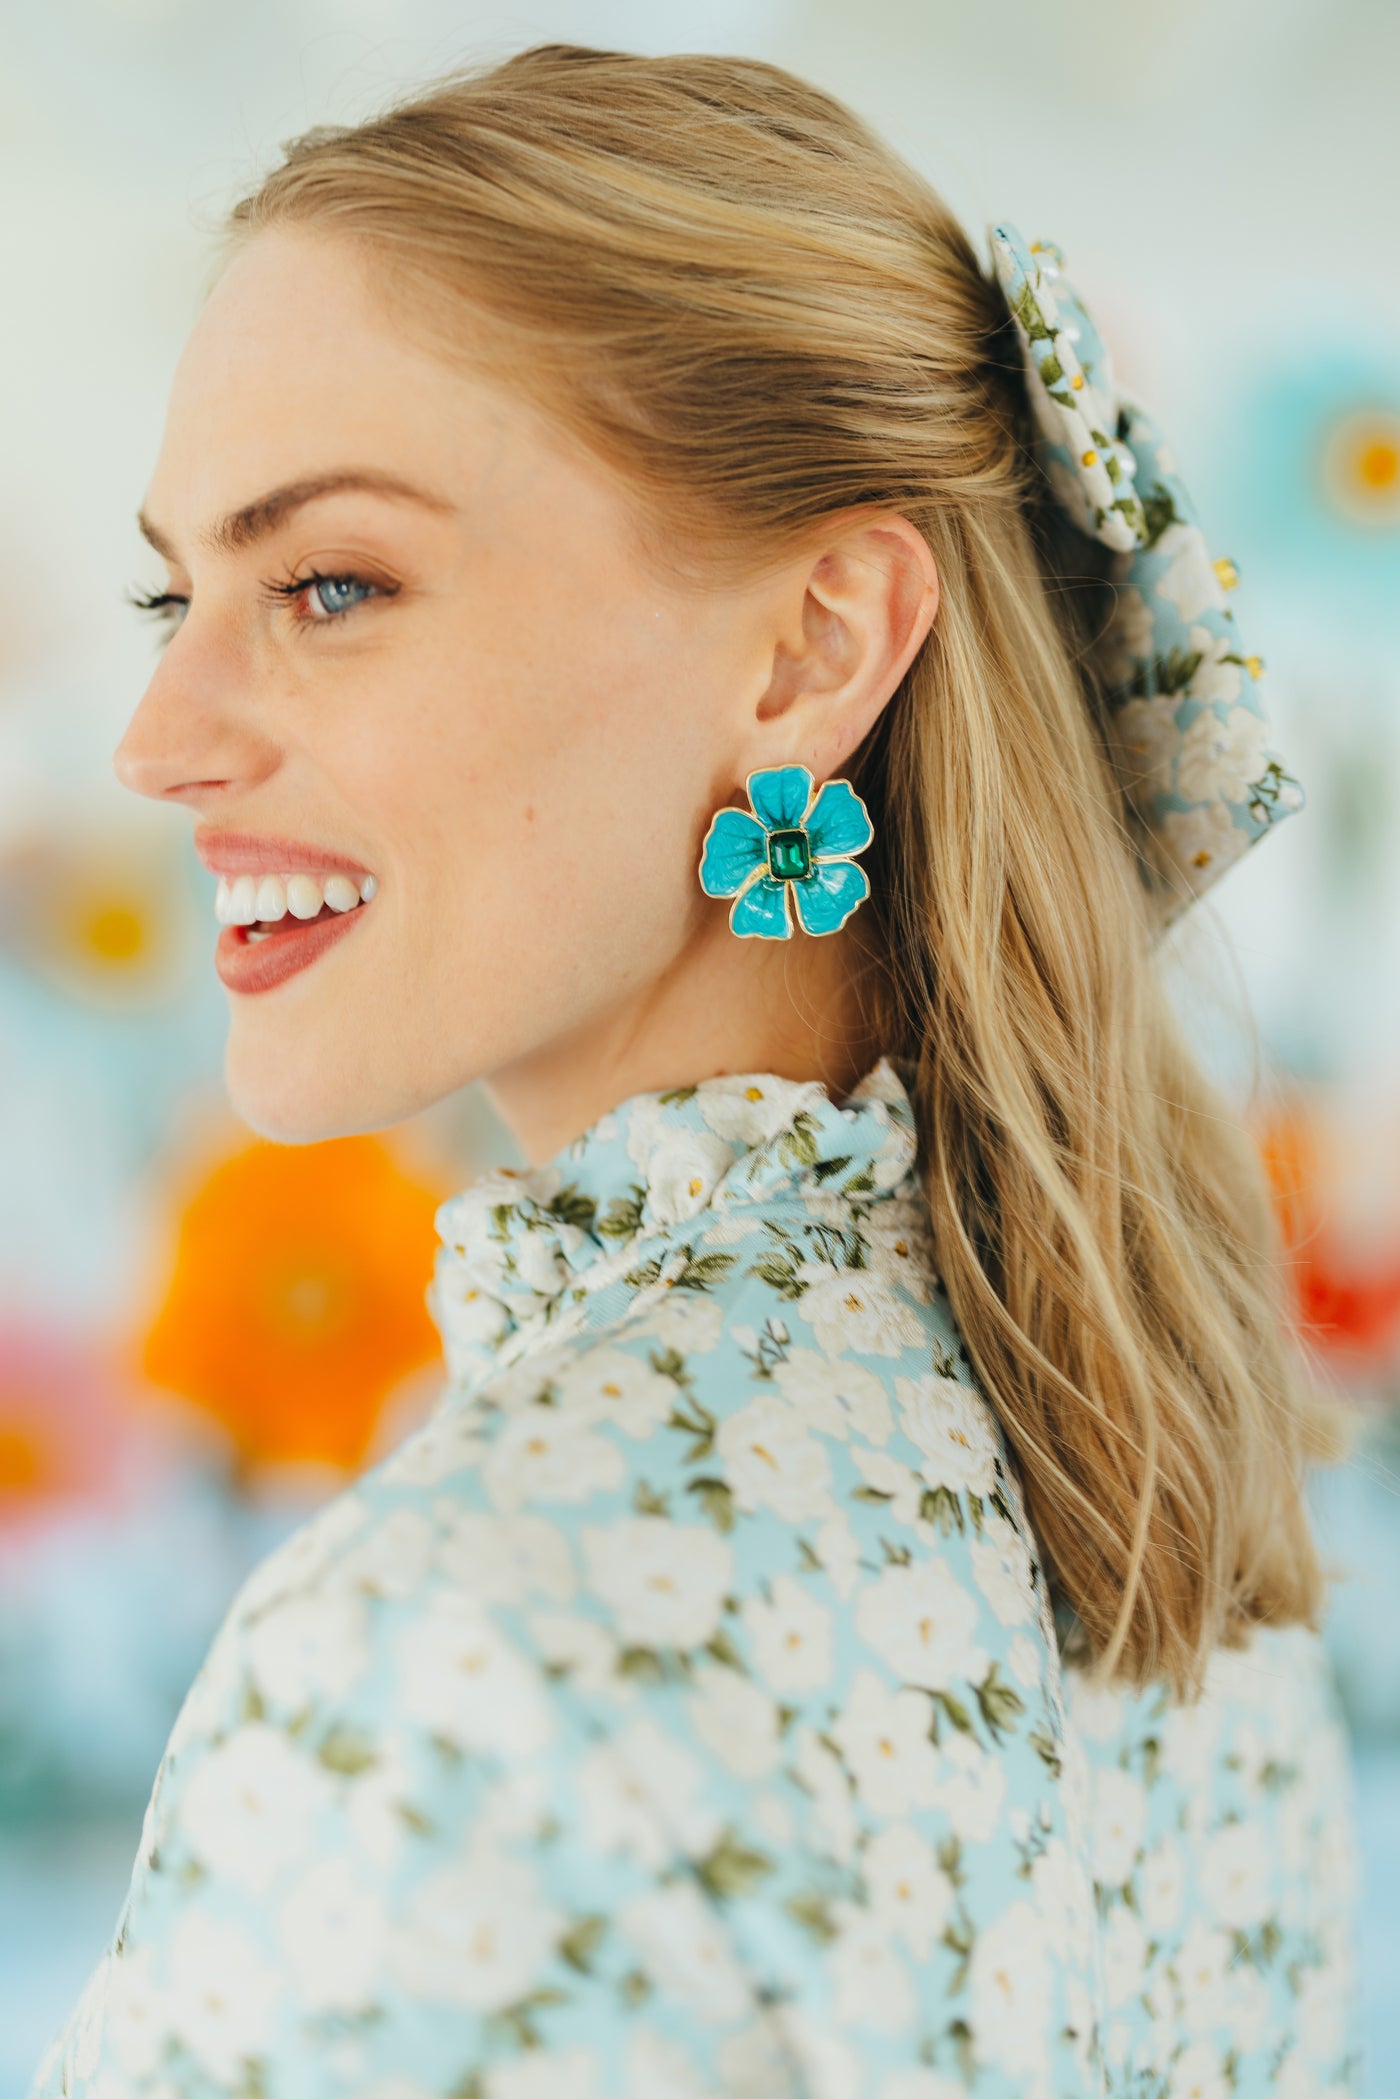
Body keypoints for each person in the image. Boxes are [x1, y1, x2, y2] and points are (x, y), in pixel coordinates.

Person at [31, 42, 1358, 2099]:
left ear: (812, 648)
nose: (160, 735)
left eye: (327, 585)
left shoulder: (442, 1664)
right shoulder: (1172, 1508)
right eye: (169, 591)